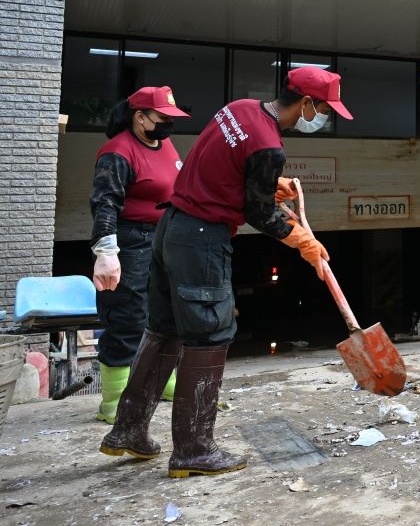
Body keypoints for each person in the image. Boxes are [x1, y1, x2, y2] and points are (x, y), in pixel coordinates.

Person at [99, 67, 351, 478]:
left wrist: (270, 183)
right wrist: (301, 241)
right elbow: (259, 213)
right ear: (306, 102)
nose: (325, 115)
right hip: (201, 238)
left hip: (170, 228)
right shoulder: (269, 146)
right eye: (324, 108)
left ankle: (128, 430)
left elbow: (225, 166)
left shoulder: (239, 109)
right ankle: (194, 450)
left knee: (164, 330)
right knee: (209, 334)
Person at [89, 86, 190, 424]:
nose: (168, 125)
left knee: (164, 314)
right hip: (128, 241)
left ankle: (163, 381)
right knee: (127, 317)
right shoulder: (117, 151)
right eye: (163, 119)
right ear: (140, 117)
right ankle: (114, 400)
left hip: (162, 238)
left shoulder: (163, 144)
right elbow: (104, 203)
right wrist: (106, 251)